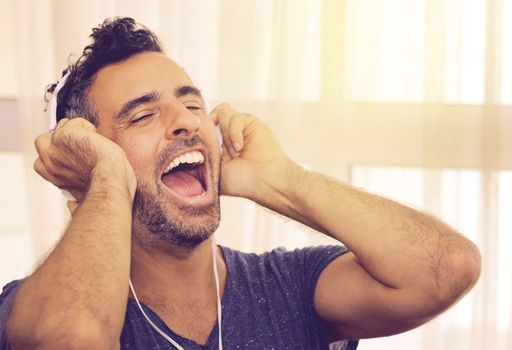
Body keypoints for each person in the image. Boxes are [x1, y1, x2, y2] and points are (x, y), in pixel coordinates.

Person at [0, 17, 480, 350]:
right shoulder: (31, 308)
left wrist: (279, 180)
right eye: (143, 115)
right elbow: (70, 338)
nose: (186, 123)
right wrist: (104, 179)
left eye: (191, 104)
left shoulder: (292, 287)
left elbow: (447, 268)